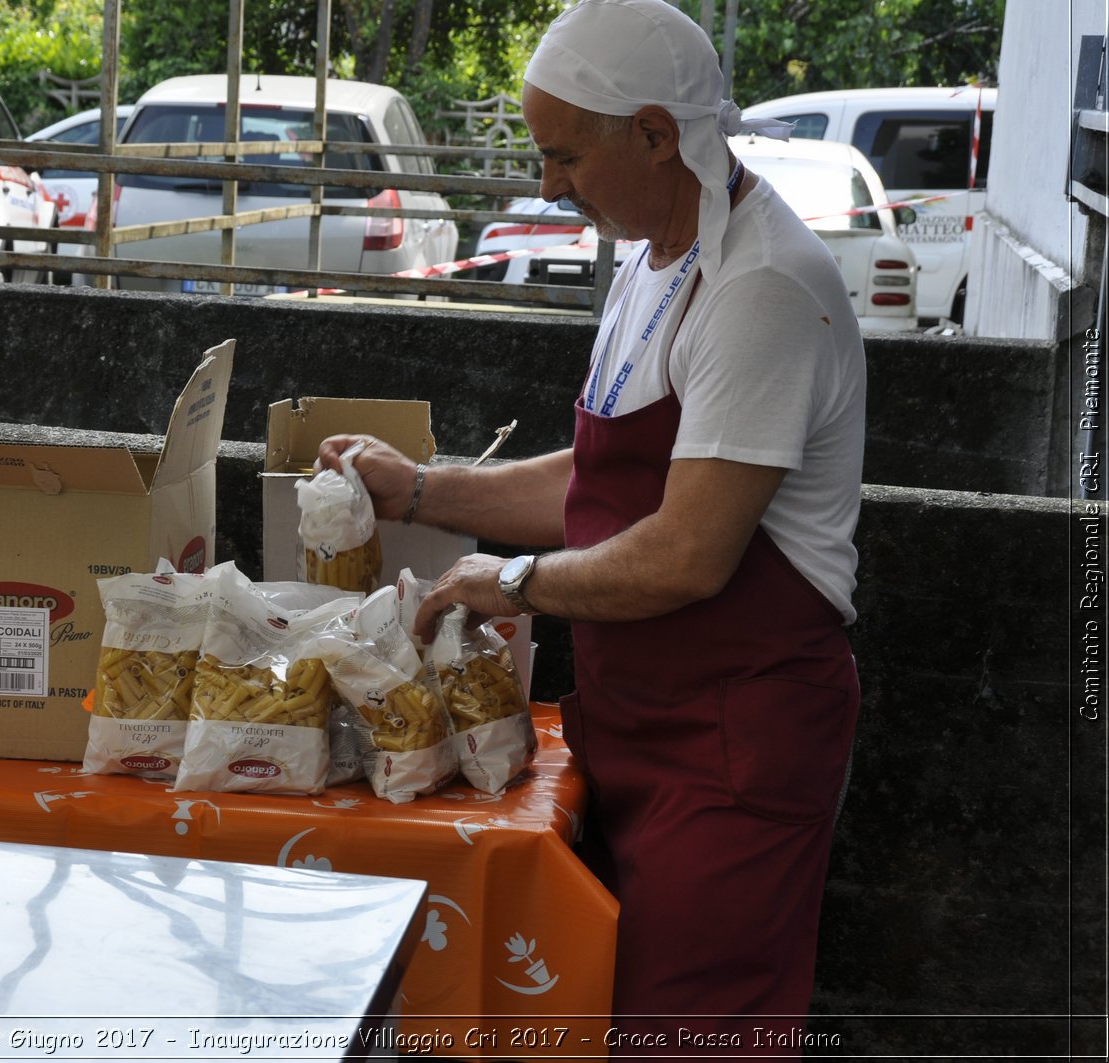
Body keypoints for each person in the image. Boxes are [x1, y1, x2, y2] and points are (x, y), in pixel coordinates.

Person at [318, 0, 864, 1053]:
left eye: (564, 155)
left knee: (693, 1030)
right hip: (637, 718)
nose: (545, 185)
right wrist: (420, 492)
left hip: (733, 741)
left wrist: (510, 582)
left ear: (656, 134)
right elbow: (605, 478)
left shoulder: (759, 287)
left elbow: (688, 551)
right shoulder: (654, 257)